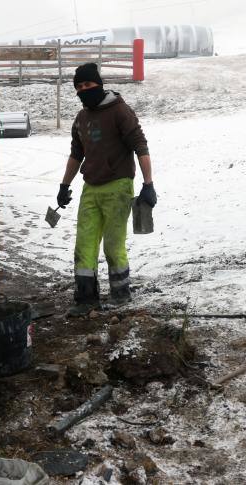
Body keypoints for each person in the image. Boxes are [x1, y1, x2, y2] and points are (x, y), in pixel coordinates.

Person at [58, 63, 157, 316]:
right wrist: (64, 185)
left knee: (113, 244)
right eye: (79, 87)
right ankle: (85, 298)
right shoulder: (81, 118)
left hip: (118, 186)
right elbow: (76, 154)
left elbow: (140, 146)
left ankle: (120, 294)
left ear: (99, 84)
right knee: (84, 244)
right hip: (90, 188)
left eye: (88, 85)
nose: (84, 90)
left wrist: (148, 184)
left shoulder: (120, 111)